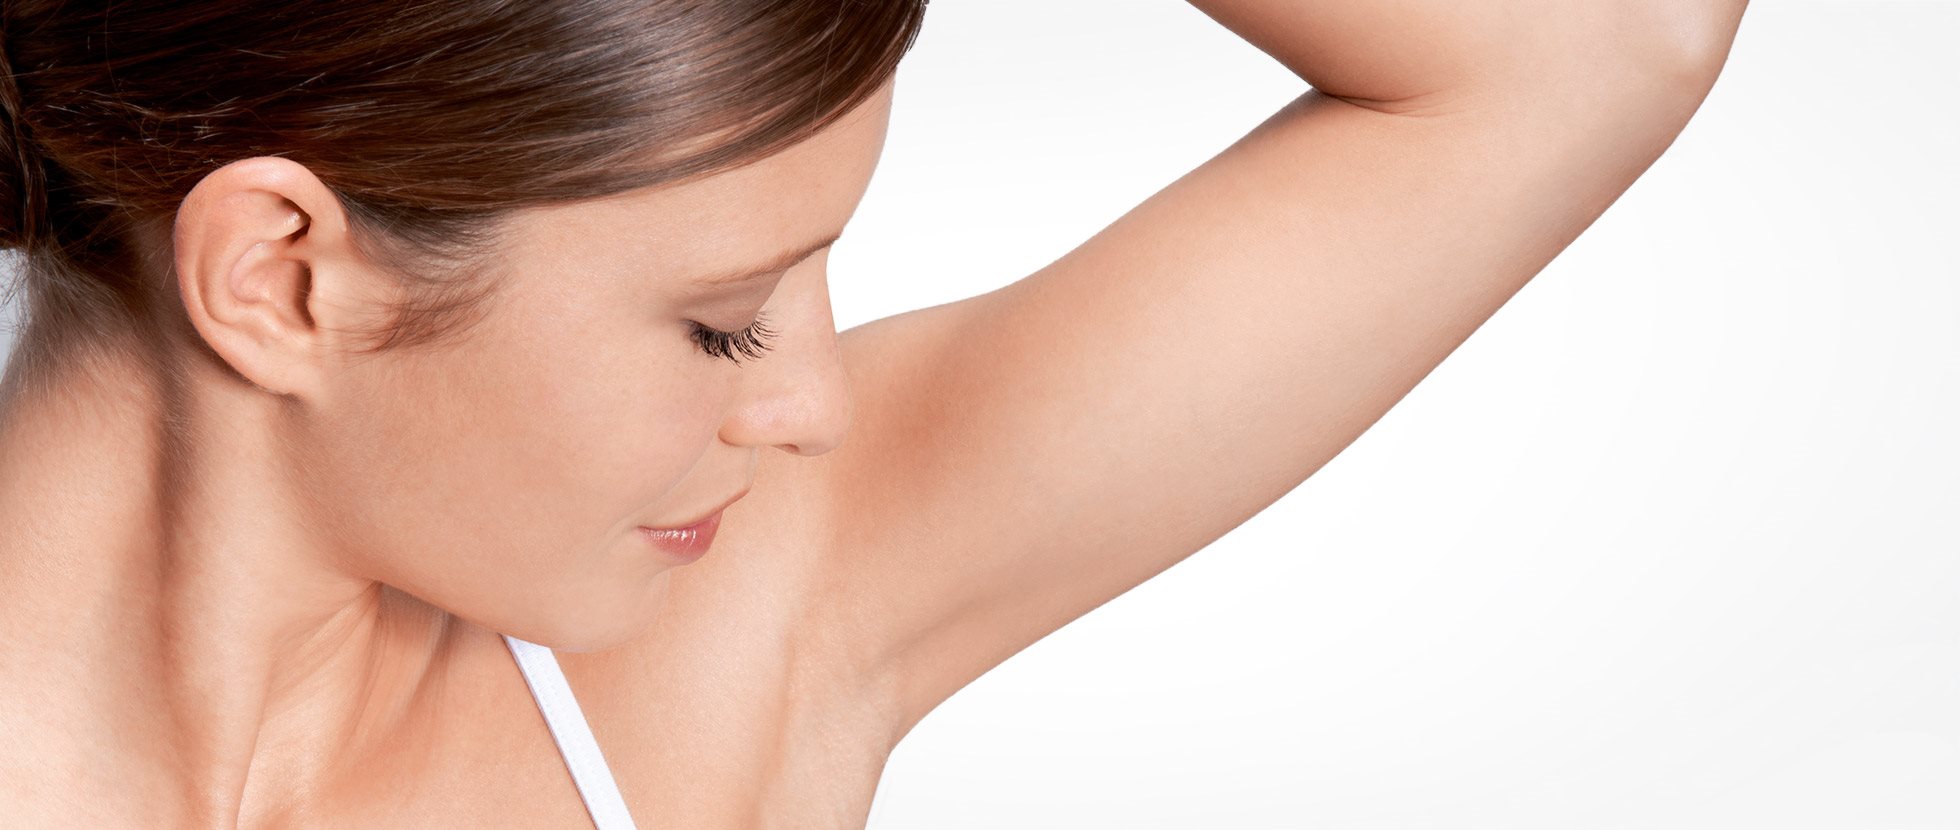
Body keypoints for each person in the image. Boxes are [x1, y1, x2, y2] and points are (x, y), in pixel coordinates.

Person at [0, 0, 1747, 826]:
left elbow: (1604, 44)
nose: (817, 406)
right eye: (723, 322)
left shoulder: (749, 622)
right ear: (287, 279)